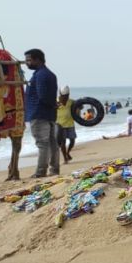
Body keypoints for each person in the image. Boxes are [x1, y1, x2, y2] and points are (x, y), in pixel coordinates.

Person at [23, 48, 60, 178]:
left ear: (37, 60)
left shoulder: (40, 75)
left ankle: (40, 171)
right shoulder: (49, 74)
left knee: (42, 144)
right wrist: (53, 105)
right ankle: (54, 169)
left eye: (29, 60)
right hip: (49, 113)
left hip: (38, 113)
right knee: (52, 143)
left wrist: (51, 104)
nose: (27, 63)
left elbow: (43, 96)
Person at [55, 86, 77, 162]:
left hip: (70, 124)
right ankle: (65, 159)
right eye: (64, 96)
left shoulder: (71, 101)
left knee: (72, 140)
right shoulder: (56, 102)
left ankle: (68, 153)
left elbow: (80, 105)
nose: (65, 97)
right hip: (60, 125)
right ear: (60, 94)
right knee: (63, 142)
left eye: (67, 96)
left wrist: (80, 106)